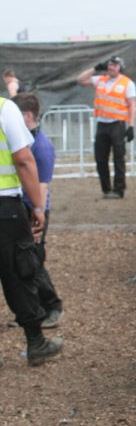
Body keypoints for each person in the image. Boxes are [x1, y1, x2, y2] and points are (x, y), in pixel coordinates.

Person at [0, 95, 63, 366]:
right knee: (20, 272)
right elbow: (24, 160)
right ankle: (36, 342)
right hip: (5, 207)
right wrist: (38, 206)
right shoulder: (5, 109)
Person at [12, 93, 64, 329]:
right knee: (23, 260)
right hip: (22, 206)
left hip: (33, 208)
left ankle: (53, 307)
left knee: (32, 261)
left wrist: (38, 212)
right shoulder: (25, 141)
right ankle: (33, 310)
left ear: (26, 116)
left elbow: (42, 186)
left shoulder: (41, 146)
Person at [77, 55, 136, 199]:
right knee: (100, 159)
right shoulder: (101, 79)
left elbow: (132, 105)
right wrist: (95, 68)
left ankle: (119, 190)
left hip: (118, 124)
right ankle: (106, 189)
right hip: (102, 124)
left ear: (120, 67)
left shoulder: (127, 83)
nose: (111, 67)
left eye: (114, 65)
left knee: (118, 158)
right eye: (109, 65)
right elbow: (80, 80)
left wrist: (131, 126)